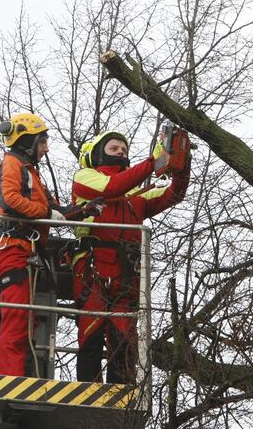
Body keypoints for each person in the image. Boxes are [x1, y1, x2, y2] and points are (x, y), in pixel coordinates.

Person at [70, 130, 191, 383]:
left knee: (124, 341)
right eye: (115, 149)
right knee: (90, 336)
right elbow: (113, 186)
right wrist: (153, 160)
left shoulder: (134, 196)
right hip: (94, 272)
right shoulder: (86, 179)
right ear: (97, 153)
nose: (121, 154)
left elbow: (174, 194)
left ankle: (122, 397)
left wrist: (181, 164)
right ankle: (86, 393)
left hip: (126, 277)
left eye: (124, 151)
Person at [0, 112, 85, 376]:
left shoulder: (30, 173)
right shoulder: (12, 164)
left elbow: (55, 209)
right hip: (12, 249)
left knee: (25, 319)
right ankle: (10, 381)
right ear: (27, 141)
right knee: (16, 320)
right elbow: (9, 201)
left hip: (24, 251)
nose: (46, 148)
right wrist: (45, 214)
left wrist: (86, 210)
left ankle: (15, 376)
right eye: (42, 142)